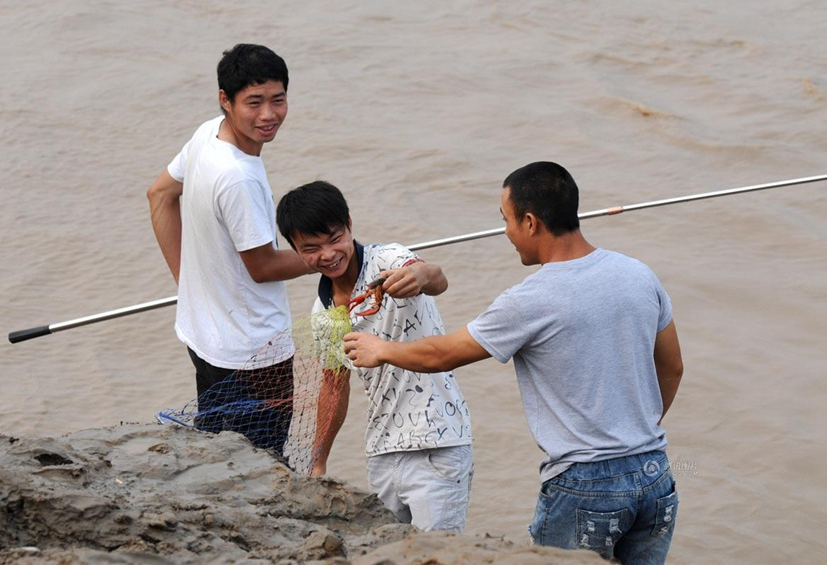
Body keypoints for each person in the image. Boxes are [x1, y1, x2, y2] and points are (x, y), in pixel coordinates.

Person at [343, 162, 684, 563]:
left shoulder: (530, 299)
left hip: (585, 485)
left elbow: (444, 353)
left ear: (530, 222)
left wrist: (380, 350)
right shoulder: (639, 275)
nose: (506, 233)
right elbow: (673, 366)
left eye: (505, 220)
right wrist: (636, 429)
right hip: (655, 474)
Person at [276, 180, 474, 533]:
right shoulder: (322, 312)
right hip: (381, 450)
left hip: (438, 441)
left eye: (335, 238)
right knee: (390, 553)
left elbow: (436, 277)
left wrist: (415, 276)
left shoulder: (389, 259)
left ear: (350, 225)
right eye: (312, 247)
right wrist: (317, 462)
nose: (328, 254)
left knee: (440, 556)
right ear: (295, 249)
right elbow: (334, 387)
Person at [147, 44, 311, 456]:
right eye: (253, 103)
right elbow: (263, 266)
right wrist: (325, 260)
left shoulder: (207, 135)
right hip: (254, 356)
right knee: (262, 462)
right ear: (226, 99)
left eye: (278, 100)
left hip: (204, 337)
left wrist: (189, 286)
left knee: (217, 456)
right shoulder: (240, 177)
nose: (268, 115)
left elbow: (160, 194)